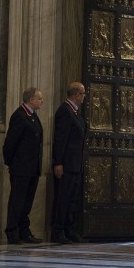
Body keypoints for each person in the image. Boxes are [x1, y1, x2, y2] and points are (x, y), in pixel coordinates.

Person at [3, 87, 44, 244]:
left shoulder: (33, 116)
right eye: (39, 98)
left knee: (27, 202)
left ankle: (24, 231)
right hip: (21, 167)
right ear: (31, 99)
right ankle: (12, 231)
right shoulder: (19, 116)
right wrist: (10, 162)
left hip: (32, 167)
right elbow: (10, 142)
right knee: (17, 201)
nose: (42, 101)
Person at [50, 82, 87, 244]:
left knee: (72, 200)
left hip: (75, 164)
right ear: (76, 95)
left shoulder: (76, 112)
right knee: (63, 199)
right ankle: (58, 231)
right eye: (83, 94)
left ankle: (70, 229)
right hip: (66, 164)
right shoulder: (65, 111)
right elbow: (60, 139)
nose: (85, 97)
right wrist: (58, 162)